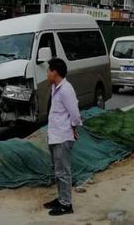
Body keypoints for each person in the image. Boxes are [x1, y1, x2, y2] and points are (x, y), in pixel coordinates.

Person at [43, 57, 81, 217]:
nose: (47, 74)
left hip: (62, 137)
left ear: (55, 72)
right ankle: (61, 199)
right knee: (57, 171)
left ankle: (66, 204)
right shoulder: (55, 87)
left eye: (48, 70)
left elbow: (75, 114)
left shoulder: (66, 89)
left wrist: (72, 128)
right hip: (55, 135)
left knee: (63, 172)